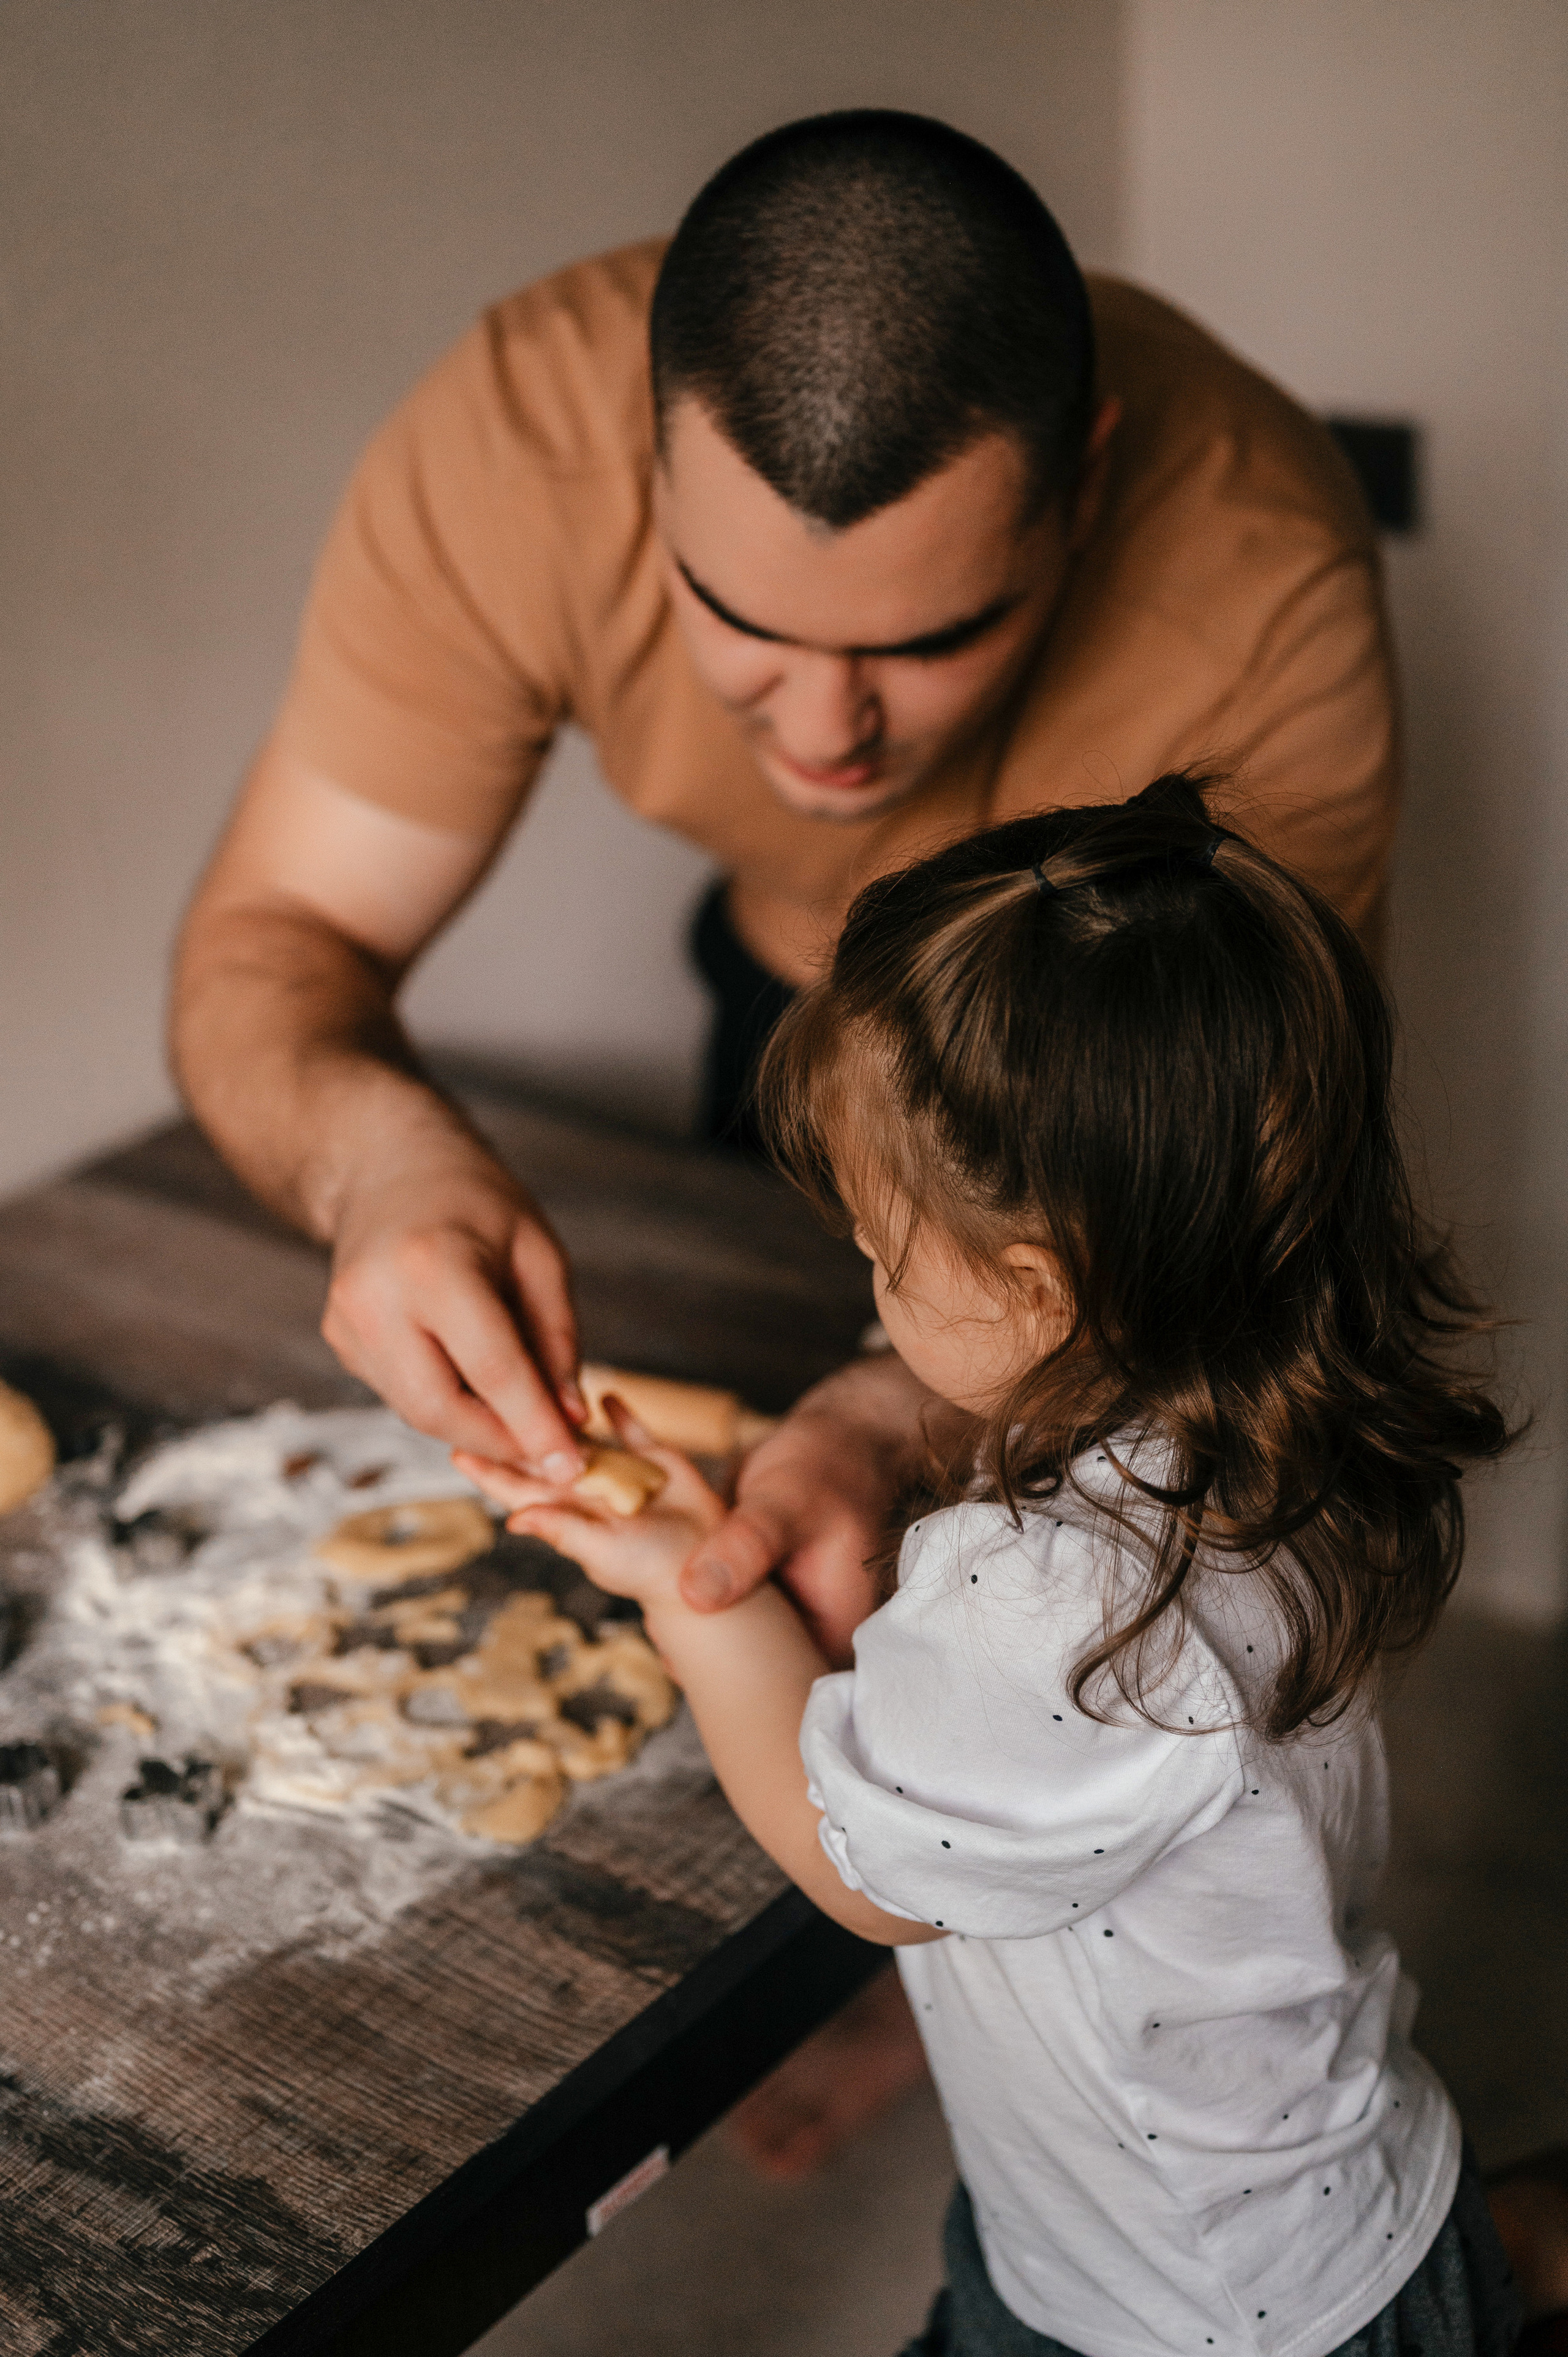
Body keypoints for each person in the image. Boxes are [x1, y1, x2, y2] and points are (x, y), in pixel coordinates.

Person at [172, 110, 1398, 1670]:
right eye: (737, 616)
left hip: (1111, 1136)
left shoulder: (1263, 583)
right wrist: (374, 1167)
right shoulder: (510, 446)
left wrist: (902, 1404)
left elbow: (1236, 1238)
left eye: (926, 637)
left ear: (1078, 494)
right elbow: (280, 933)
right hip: (781, 1003)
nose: (825, 738)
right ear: (649, 468)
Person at [454, 777, 1523, 2357]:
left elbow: (852, 1865)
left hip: (1182, 2310)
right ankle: (1486, 2283)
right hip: (1326, 2190)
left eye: (884, 1256)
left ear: (1034, 1293)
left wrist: (694, 1585)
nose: (871, 1284)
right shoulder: (1292, 1421)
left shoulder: (1049, 1605)